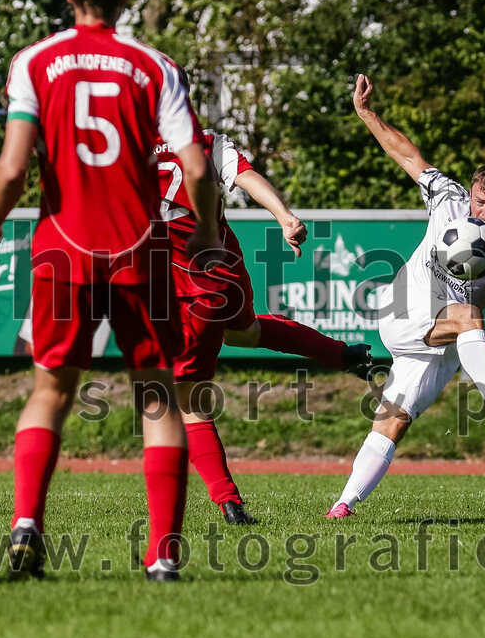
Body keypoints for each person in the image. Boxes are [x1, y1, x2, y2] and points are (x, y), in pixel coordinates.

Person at [0, 0, 221, 582]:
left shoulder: (34, 62)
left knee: (51, 390)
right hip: (140, 248)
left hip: (62, 248)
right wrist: (209, 235)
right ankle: (162, 554)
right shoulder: (154, 65)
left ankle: (27, 524)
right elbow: (196, 167)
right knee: (159, 396)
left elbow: (13, 167)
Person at [325, 74, 485, 518]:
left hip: (446, 347)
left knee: (391, 420)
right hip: (404, 312)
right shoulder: (448, 199)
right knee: (469, 311)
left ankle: (343, 505)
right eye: (481, 201)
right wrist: (366, 112)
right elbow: (406, 154)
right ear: (469, 193)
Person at [154, 124, 373, 524]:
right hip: (226, 272)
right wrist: (284, 216)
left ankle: (228, 501)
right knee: (246, 333)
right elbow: (246, 176)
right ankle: (343, 354)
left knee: (189, 403)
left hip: (186, 288)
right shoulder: (204, 139)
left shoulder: (123, 147)